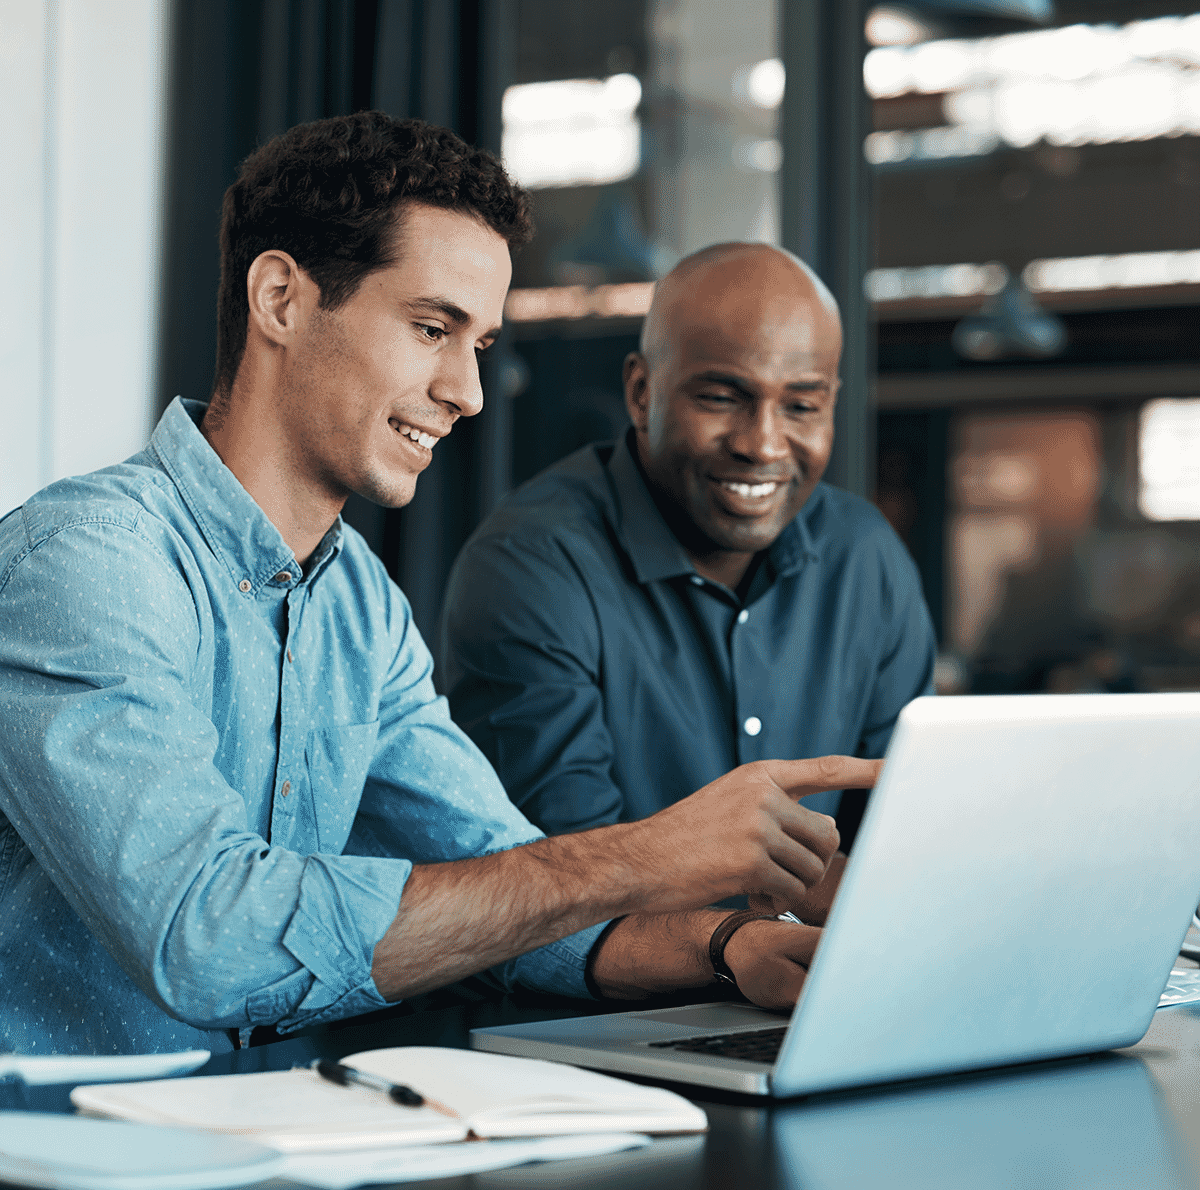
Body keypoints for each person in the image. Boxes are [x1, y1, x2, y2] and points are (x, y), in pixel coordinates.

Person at [0, 113, 879, 1056]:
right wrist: (648, 856)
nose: (468, 391)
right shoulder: (88, 564)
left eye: (480, 345)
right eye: (431, 328)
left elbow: (501, 886)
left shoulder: (359, 607)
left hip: (277, 1142)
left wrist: (730, 943)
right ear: (282, 299)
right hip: (65, 1159)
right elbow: (211, 938)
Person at [440, 243, 935, 872]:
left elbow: (906, 833)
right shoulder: (530, 566)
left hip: (820, 967)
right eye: (723, 398)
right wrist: (744, 944)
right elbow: (560, 879)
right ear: (644, 393)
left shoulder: (863, 556)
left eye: (802, 406)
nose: (762, 444)